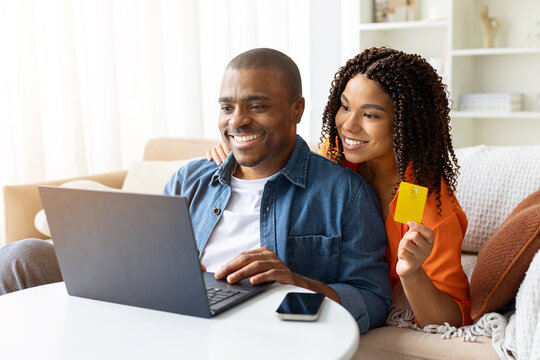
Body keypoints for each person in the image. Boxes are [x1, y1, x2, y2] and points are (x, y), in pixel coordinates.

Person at [0, 48, 392, 333]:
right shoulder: (191, 178)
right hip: (166, 311)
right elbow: (147, 259)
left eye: (256, 106)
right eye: (226, 107)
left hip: (257, 328)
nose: (237, 121)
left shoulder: (345, 192)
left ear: (296, 110)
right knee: (20, 256)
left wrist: (299, 283)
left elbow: (373, 299)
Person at [206, 47, 471, 327]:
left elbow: (452, 320)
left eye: (370, 115)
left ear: (404, 123)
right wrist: (240, 147)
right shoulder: (337, 156)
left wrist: (412, 273)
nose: (348, 125)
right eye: (345, 107)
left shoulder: (422, 202)